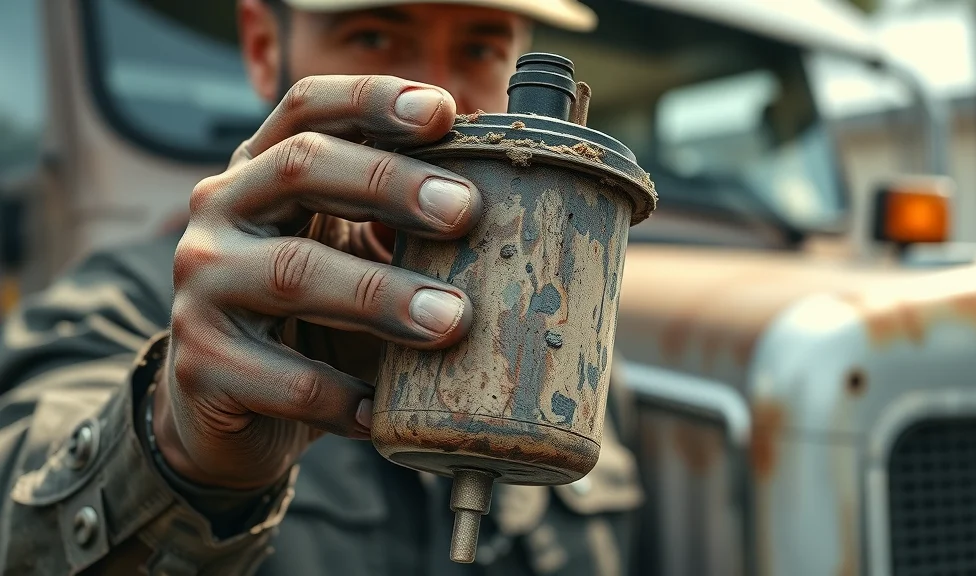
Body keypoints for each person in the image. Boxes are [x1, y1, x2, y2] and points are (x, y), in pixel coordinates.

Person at [0, 0, 644, 574]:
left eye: (480, 48)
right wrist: (177, 449)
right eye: (374, 36)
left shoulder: (569, 353)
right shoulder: (124, 303)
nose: (439, 93)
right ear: (264, 47)